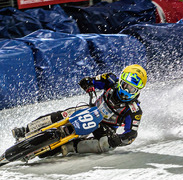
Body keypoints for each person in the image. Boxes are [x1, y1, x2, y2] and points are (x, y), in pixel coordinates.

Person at [11, 64, 147, 157]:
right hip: (91, 110)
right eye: (125, 86)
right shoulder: (110, 79)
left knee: (105, 145)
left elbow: (131, 134)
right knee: (65, 114)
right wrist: (88, 83)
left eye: (132, 90)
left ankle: (70, 147)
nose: (127, 92)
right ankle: (26, 129)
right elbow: (91, 80)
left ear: (138, 91)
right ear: (120, 81)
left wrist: (118, 139)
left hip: (105, 128)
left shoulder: (134, 110)